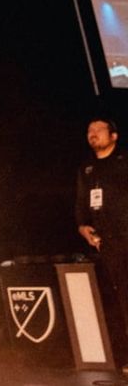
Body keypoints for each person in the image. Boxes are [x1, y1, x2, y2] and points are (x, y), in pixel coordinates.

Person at [76, 116, 128, 368]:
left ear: (114, 135)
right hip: (109, 244)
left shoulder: (124, 161)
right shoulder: (87, 169)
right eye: (89, 129)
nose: (92, 133)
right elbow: (81, 205)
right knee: (122, 299)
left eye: (98, 129)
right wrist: (83, 227)